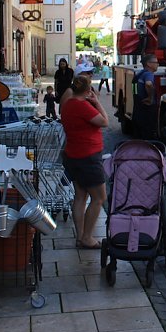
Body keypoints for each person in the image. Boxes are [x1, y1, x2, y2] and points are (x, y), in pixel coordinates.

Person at [59, 75, 109, 249]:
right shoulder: (83, 107)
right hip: (88, 156)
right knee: (99, 198)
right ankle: (87, 237)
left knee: (80, 196)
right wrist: (97, 102)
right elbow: (104, 121)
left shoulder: (67, 105)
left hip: (72, 155)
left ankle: (80, 235)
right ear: (89, 91)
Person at [133, 54, 159, 140]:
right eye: (156, 62)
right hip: (147, 109)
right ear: (149, 64)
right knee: (148, 135)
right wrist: (150, 98)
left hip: (138, 108)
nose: (157, 64)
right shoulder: (149, 74)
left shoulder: (139, 74)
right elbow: (148, 84)